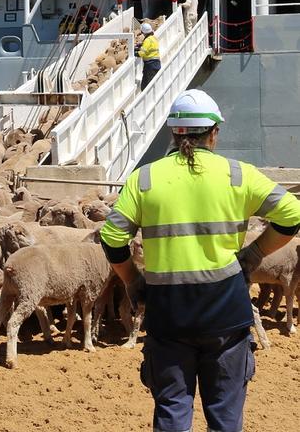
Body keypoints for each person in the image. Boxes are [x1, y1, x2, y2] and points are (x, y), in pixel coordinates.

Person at [100, 89, 300, 432]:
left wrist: (133, 280)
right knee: (224, 417)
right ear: (214, 133)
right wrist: (252, 255)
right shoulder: (240, 174)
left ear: (174, 133)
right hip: (226, 315)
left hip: (168, 316)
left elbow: (113, 238)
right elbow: (291, 215)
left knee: (173, 412)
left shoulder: (144, 179)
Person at [137, 22, 160, 90]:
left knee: (146, 86)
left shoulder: (147, 40)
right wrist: (141, 45)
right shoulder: (153, 38)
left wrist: (134, 52)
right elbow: (149, 47)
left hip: (150, 65)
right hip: (156, 63)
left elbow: (141, 53)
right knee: (153, 84)